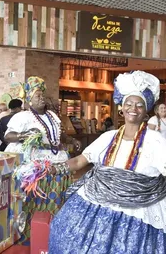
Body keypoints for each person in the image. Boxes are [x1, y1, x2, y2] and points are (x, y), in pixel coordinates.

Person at [49, 71, 166, 253]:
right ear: (121, 107)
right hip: (98, 200)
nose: (132, 108)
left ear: (146, 110)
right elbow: (81, 160)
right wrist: (51, 169)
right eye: (128, 103)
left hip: (140, 209)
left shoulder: (156, 141)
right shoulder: (109, 136)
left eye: (139, 105)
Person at [4, 76, 81, 242]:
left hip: (56, 161)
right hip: (35, 165)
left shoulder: (53, 115)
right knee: (35, 200)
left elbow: (60, 135)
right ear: (29, 100)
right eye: (37, 96)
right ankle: (30, 236)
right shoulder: (23, 116)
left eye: (42, 95)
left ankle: (52, 235)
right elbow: (7, 136)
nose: (41, 98)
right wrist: (23, 135)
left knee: (56, 198)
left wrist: (72, 140)